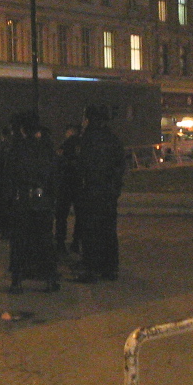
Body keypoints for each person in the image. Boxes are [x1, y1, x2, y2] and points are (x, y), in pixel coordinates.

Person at [2, 111, 59, 294]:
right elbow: (55, 177)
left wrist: (9, 200)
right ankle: (50, 279)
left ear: (22, 130)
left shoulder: (17, 150)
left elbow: (9, 177)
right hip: (43, 201)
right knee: (45, 240)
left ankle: (17, 280)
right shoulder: (47, 149)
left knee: (20, 241)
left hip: (23, 200)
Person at [74, 104, 125, 283]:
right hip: (108, 192)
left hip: (92, 190)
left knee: (90, 231)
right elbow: (120, 166)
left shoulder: (88, 139)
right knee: (108, 230)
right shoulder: (112, 138)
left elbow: (83, 166)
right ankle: (110, 267)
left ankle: (91, 268)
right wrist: (115, 188)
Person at [54, 123, 82, 254]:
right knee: (80, 215)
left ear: (70, 131)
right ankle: (76, 241)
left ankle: (60, 242)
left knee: (61, 215)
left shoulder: (65, 144)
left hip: (65, 184)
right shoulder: (83, 145)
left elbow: (58, 162)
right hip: (79, 184)